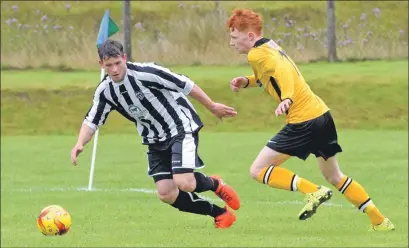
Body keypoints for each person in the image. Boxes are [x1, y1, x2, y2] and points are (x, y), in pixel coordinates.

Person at [225, 8, 394, 231]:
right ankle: (379, 221)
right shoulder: (268, 46)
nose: (231, 42)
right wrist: (246, 82)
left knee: (258, 170)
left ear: (249, 36)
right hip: (322, 115)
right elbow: (270, 75)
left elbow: (283, 71)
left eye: (234, 37)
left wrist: (286, 97)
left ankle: (313, 191)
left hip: (303, 120)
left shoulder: (255, 54)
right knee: (334, 176)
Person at [70, 39, 240, 229]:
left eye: (118, 63)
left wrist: (212, 106)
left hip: (180, 127)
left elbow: (185, 84)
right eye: (109, 65)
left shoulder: (147, 73)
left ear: (125, 58)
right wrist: (80, 143)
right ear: (101, 65)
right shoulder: (105, 91)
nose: (115, 69)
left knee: (184, 182)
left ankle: (215, 184)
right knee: (166, 193)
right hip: (153, 139)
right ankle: (221, 214)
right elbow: (92, 120)